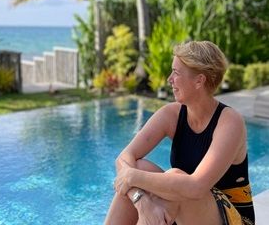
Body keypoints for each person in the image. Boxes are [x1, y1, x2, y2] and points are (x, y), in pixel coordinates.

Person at [104, 41, 255, 225]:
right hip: (186, 211)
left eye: (176, 72)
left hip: (234, 219)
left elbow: (196, 187)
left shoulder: (230, 122)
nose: (169, 79)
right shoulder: (171, 114)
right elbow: (124, 157)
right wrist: (140, 200)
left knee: (172, 176)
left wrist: (132, 177)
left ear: (199, 80)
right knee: (139, 166)